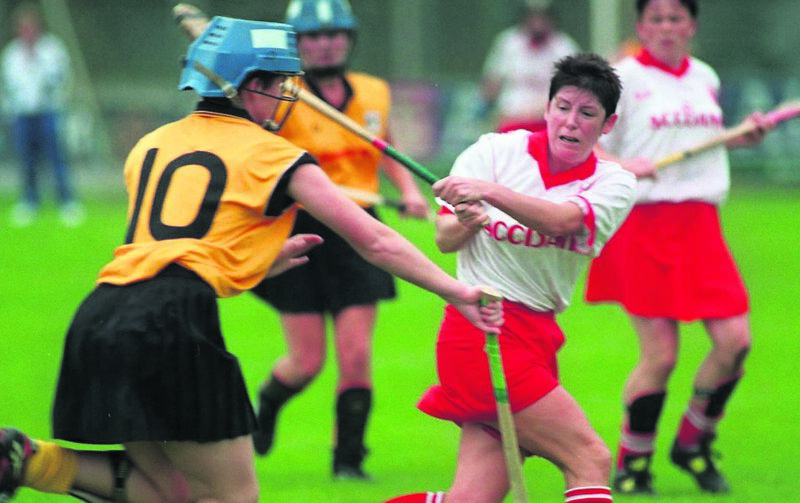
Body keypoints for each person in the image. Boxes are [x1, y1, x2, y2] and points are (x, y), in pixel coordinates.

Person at [0, 17, 502, 503]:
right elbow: (374, 240)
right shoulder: (274, 154)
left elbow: (179, 248)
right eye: (280, 83)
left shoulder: (149, 145)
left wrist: (254, 264)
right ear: (249, 86)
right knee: (232, 494)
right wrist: (454, 291)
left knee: (169, 492)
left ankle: (30, 460)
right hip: (170, 325)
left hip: (100, 317)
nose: (287, 96)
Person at [384, 53, 637, 503]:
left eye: (587, 113)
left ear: (608, 124)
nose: (571, 122)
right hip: (481, 330)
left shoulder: (614, 183)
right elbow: (444, 238)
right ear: (547, 108)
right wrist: (466, 220)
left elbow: (562, 222)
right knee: (591, 459)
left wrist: (490, 193)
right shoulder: (494, 151)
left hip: (538, 335)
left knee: (471, 500)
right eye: (563, 107)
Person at [583, 0, 775, 495]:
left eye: (676, 18)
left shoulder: (704, 77)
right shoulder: (620, 78)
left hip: (700, 225)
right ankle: (633, 463)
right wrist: (623, 166)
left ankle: (692, 441)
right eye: (657, 19)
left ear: (692, 24)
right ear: (641, 25)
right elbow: (588, 145)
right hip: (643, 223)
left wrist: (740, 138)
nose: (667, 28)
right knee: (661, 355)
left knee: (735, 343)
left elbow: (707, 139)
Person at [248, 0, 431, 480]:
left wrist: (408, 190)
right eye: (311, 37)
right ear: (297, 44)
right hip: (297, 229)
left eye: (332, 35)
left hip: (359, 227)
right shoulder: (282, 96)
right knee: (306, 362)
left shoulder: (373, 92)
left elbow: (384, 148)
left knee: (356, 354)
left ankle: (348, 461)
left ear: (348, 39)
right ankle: (266, 406)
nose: (323, 44)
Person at [1, 1, 84, 227]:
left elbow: (61, 77)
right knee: (27, 160)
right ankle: (30, 201)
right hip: (23, 114)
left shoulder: (51, 49)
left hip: (49, 111)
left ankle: (66, 201)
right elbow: (8, 86)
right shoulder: (11, 55)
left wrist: (40, 65)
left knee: (56, 156)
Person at [478, 0, 580, 133]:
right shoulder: (508, 42)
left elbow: (574, 88)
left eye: (542, 17)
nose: (537, 22)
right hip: (510, 115)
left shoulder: (563, 47)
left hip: (547, 119)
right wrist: (489, 108)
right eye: (532, 17)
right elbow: (492, 82)